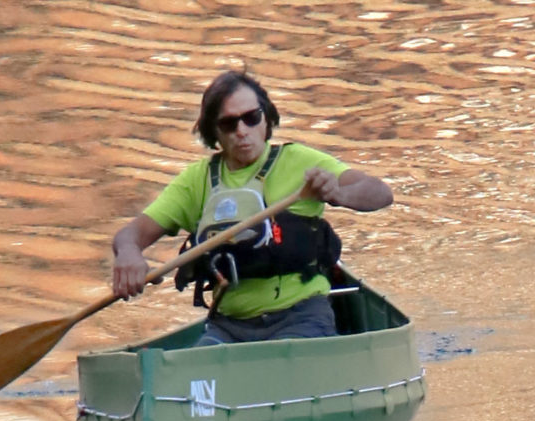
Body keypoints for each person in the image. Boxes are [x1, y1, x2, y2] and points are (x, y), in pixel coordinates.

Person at [111, 70, 392, 345]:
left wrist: (339, 193)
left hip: (302, 316)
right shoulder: (196, 181)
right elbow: (130, 235)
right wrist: (128, 254)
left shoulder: (299, 161)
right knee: (198, 372)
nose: (242, 131)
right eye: (229, 124)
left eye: (251, 118)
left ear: (266, 118)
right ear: (214, 133)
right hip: (229, 326)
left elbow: (380, 193)